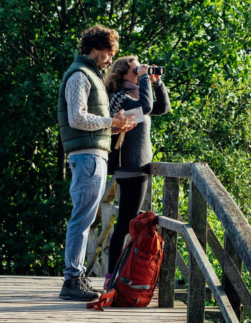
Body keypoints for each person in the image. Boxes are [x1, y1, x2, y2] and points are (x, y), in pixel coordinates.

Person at [56, 25, 136, 301]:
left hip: (93, 153)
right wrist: (110, 121)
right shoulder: (80, 75)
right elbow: (77, 118)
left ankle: (76, 277)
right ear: (97, 47)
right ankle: (72, 280)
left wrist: (115, 127)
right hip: (87, 156)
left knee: (85, 217)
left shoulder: (90, 74)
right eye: (109, 52)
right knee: (82, 218)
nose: (110, 59)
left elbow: (88, 123)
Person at [102, 56, 171, 288]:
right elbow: (147, 107)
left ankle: (117, 276)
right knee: (125, 224)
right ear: (123, 74)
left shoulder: (135, 96)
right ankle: (114, 278)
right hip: (130, 168)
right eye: (135, 69)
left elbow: (162, 108)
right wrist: (144, 80)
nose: (139, 71)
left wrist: (156, 82)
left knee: (126, 223)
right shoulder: (120, 98)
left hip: (136, 167)